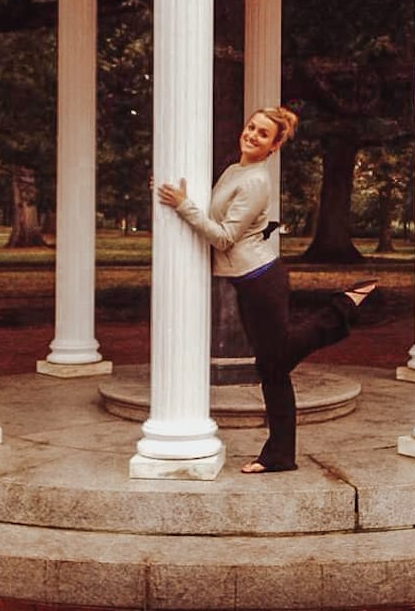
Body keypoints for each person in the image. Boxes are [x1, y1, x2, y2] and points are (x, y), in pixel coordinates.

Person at [157, 106, 377, 474]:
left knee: (273, 362)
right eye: (251, 127)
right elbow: (218, 216)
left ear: (273, 147)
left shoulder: (257, 180)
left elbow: (225, 237)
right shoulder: (235, 170)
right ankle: (279, 455)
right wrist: (174, 194)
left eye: (262, 134)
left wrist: (183, 207)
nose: (251, 135)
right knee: (274, 368)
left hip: (261, 281)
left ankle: (343, 307)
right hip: (250, 281)